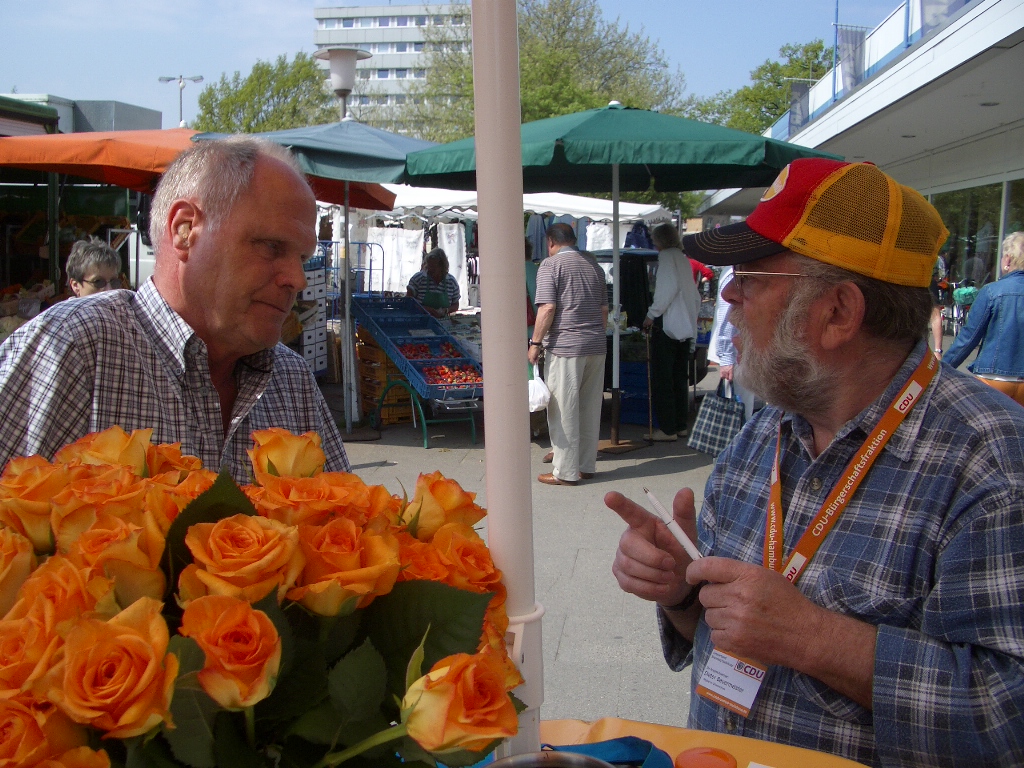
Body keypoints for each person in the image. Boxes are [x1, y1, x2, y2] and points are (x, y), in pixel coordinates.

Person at [608, 158, 1024, 767]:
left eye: (750, 276)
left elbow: (1008, 717)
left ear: (838, 313)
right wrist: (681, 591)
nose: (729, 295)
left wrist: (813, 637)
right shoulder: (766, 429)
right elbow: (723, 632)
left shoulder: (993, 460)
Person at [0, 137, 350, 483]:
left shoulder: (293, 380)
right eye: (272, 246)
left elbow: (346, 513)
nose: (297, 279)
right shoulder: (74, 346)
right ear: (185, 230)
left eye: (302, 257)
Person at [529, 223, 607, 486]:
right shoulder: (594, 266)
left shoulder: (550, 266)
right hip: (595, 344)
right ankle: (586, 465)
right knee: (589, 408)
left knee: (563, 409)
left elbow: (547, 308)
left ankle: (564, 471)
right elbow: (603, 310)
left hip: (565, 345)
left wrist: (535, 343)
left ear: (551, 241)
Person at [943, 231, 1024, 407]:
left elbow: (968, 339)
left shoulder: (991, 291)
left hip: (993, 377)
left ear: (1008, 260)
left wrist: (941, 369)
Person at [642, 223, 700, 441]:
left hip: (668, 325)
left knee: (663, 379)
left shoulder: (666, 257)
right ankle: (679, 424)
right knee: (679, 377)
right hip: (685, 325)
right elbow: (692, 294)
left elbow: (666, 289)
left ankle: (667, 428)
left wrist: (651, 314)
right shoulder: (682, 258)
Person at [407, 247, 460, 319]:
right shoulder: (417, 279)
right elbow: (408, 302)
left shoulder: (451, 282)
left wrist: (445, 310)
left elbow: (456, 305)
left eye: (433, 267)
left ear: (442, 267)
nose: (430, 269)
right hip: (419, 321)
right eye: (428, 266)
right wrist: (424, 309)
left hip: (442, 322)